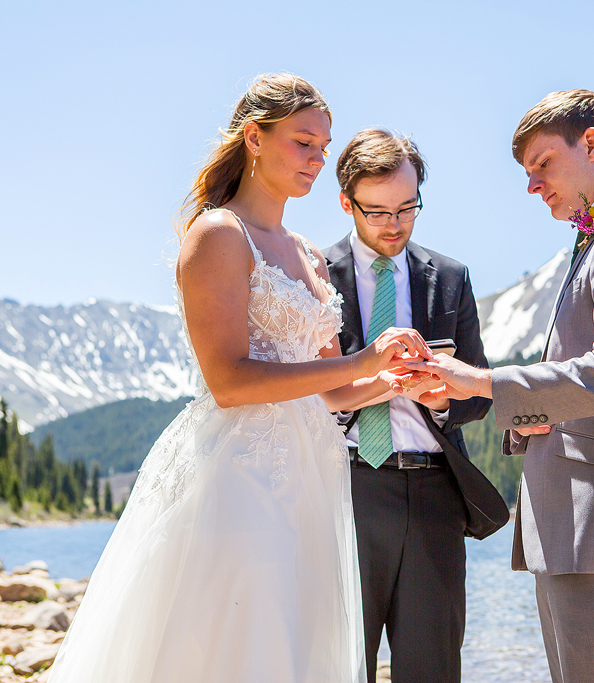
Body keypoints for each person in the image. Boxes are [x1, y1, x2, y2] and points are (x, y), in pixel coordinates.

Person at [50, 74, 433, 683]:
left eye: (323, 146)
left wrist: (402, 378)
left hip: (313, 476)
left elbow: (334, 391)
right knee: (240, 642)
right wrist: (361, 361)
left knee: (297, 642)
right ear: (255, 137)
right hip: (240, 474)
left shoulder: (308, 255)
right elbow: (227, 382)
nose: (318, 160)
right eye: (303, 143)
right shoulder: (218, 235)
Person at [412, 90, 594, 683]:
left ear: (592, 144)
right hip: (585, 534)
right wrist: (528, 411)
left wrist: (484, 382)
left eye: (543, 164)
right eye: (527, 172)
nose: (532, 185)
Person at [323, 128, 509, 683]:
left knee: (433, 669)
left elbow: (477, 392)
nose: (395, 224)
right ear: (347, 203)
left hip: (435, 497)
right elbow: (300, 391)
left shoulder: (450, 278)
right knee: (340, 664)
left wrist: (447, 400)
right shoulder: (315, 274)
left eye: (408, 208)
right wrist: (365, 389)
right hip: (344, 489)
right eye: (378, 212)